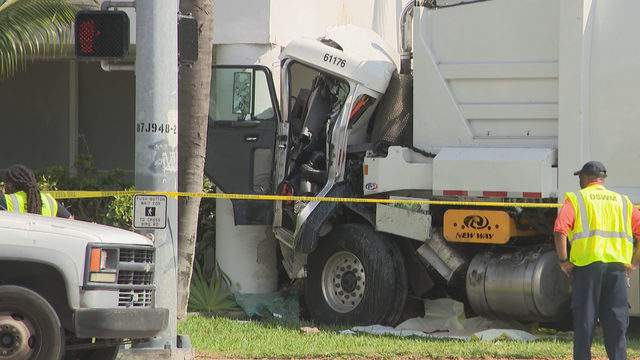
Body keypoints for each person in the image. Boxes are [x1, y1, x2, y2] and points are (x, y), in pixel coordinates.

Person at [554, 161, 640, 360]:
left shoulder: (577, 199)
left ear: (585, 178)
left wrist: (562, 261)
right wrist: (634, 263)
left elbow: (560, 231)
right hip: (617, 270)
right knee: (616, 322)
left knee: (585, 321)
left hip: (586, 269)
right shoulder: (622, 201)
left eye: (579, 178)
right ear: (602, 179)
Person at [0, 164, 72, 218]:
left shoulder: (7, 200)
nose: (4, 186)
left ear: (10, 185)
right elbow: (70, 220)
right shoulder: (50, 201)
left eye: (5, 182)